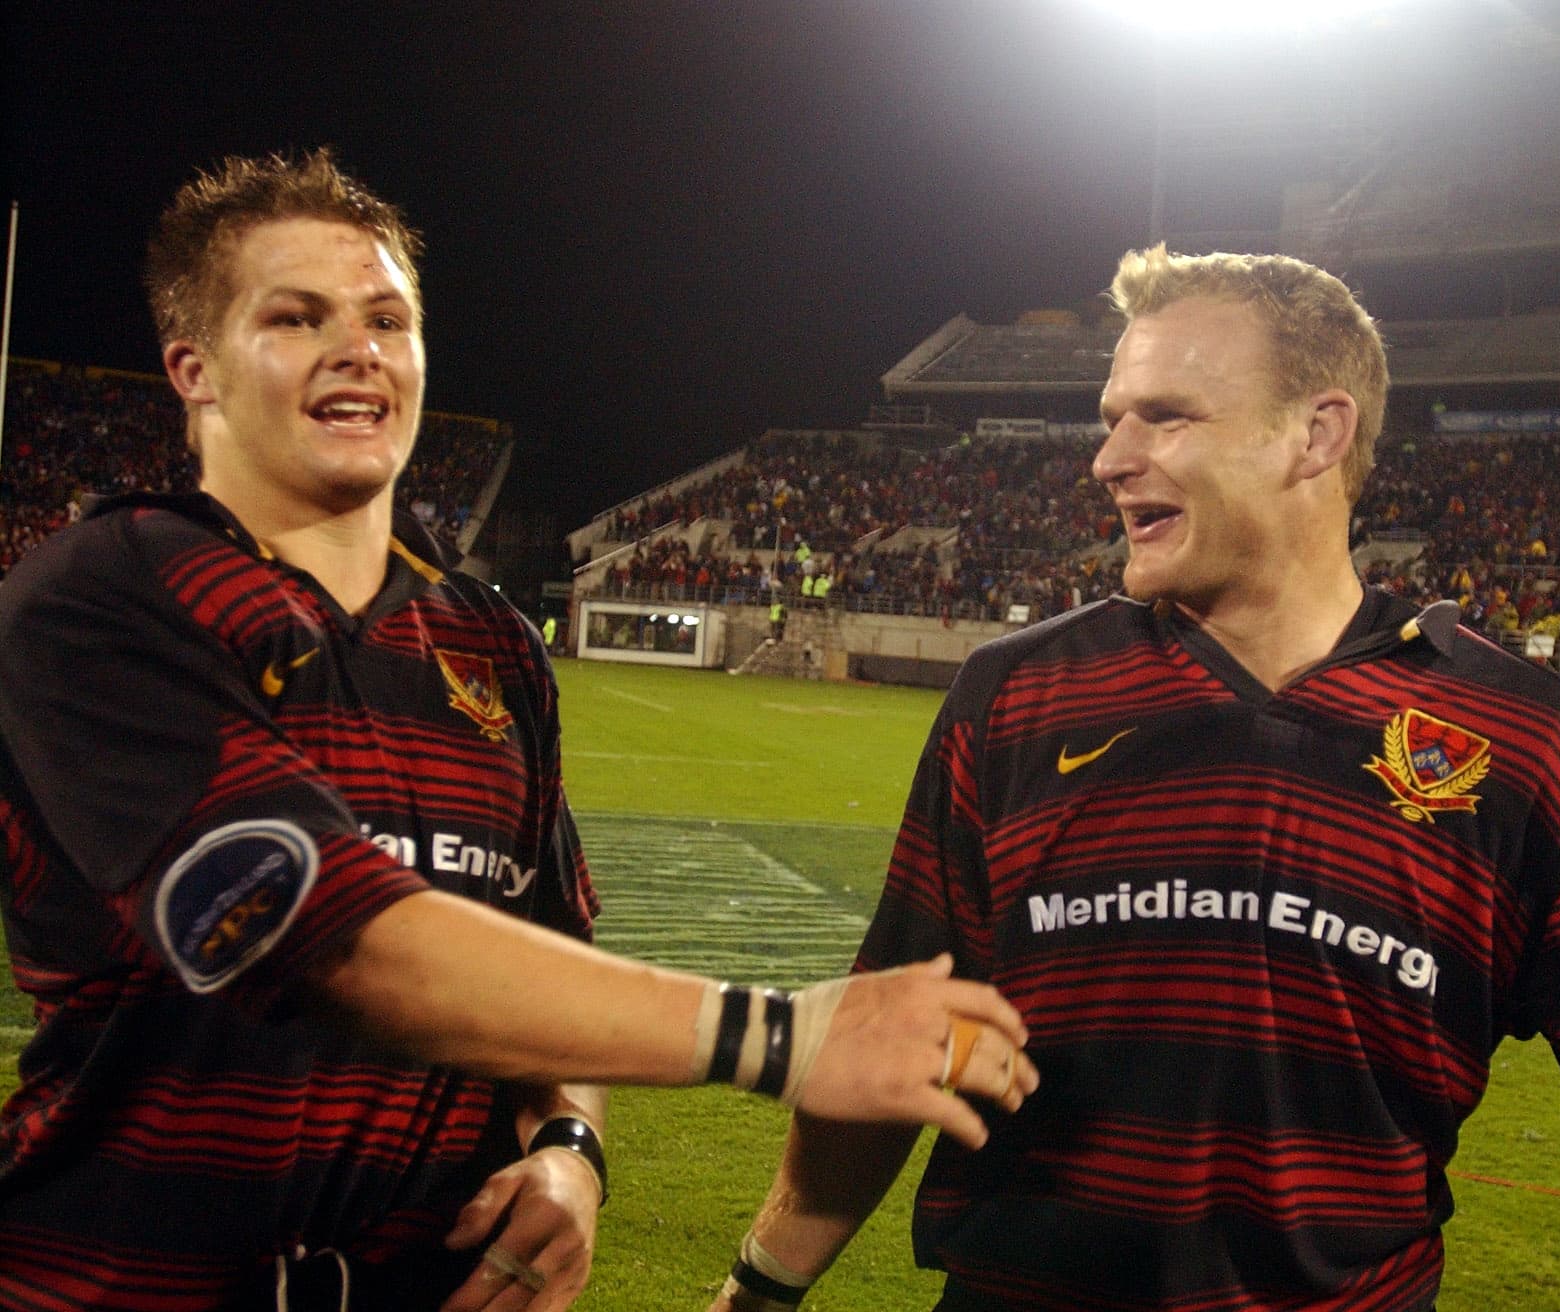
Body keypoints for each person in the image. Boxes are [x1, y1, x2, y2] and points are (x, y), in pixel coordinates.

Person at [0, 150, 1035, 1311]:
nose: (360, 349)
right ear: (192, 369)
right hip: (119, 1285)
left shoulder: (489, 642)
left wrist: (569, 1146)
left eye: (387, 318)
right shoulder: (105, 592)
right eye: (296, 317)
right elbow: (318, 938)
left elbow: (550, 952)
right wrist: (777, 1035)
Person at [713, 247, 1560, 1311]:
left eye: (1164, 416)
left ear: (1314, 434)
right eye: (1111, 420)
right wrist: (760, 1284)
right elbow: (889, 1038)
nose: (1107, 459)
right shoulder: (1015, 698)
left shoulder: (1509, 732)